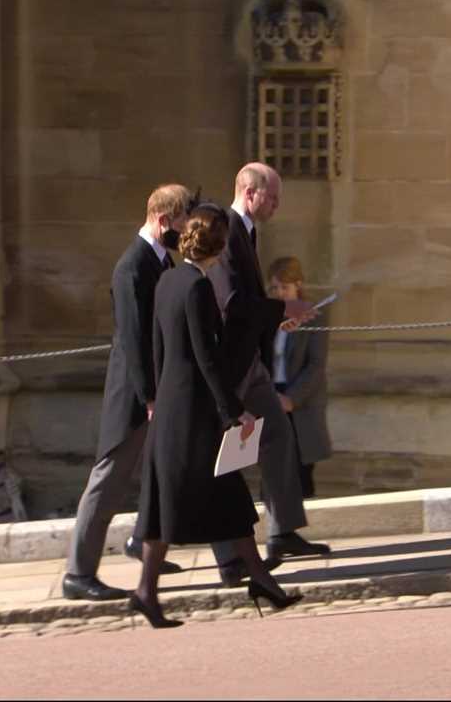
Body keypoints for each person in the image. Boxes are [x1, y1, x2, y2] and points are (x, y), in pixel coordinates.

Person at [130, 203, 303, 628]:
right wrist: (233, 411)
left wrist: (153, 399)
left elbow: (158, 349)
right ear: (219, 246)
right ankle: (149, 591)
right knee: (194, 496)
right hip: (193, 411)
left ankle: (254, 580)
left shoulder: (169, 280)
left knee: (206, 496)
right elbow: (206, 357)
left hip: (173, 405)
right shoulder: (196, 288)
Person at [62, 184, 191, 602]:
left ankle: (142, 541)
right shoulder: (132, 267)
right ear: (163, 220)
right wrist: (151, 397)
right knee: (107, 481)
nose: (186, 234)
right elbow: (134, 341)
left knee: (158, 474)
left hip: (155, 391)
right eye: (183, 225)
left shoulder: (160, 261)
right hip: (135, 395)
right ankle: (78, 573)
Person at [206, 162, 331, 587]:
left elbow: (249, 307)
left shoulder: (250, 231)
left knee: (279, 435)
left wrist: (277, 320)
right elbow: (231, 303)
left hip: (251, 363)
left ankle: (282, 532)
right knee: (230, 459)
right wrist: (282, 309)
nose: (276, 205)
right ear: (248, 191)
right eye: (271, 197)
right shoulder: (225, 230)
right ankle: (230, 556)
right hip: (231, 368)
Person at [267, 257, 333, 499]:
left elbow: (316, 366)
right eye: (275, 288)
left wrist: (291, 399)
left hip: (299, 400)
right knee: (273, 467)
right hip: (272, 394)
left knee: (300, 470)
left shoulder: (313, 316)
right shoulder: (270, 314)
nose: (280, 293)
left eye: (285, 287)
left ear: (298, 285)